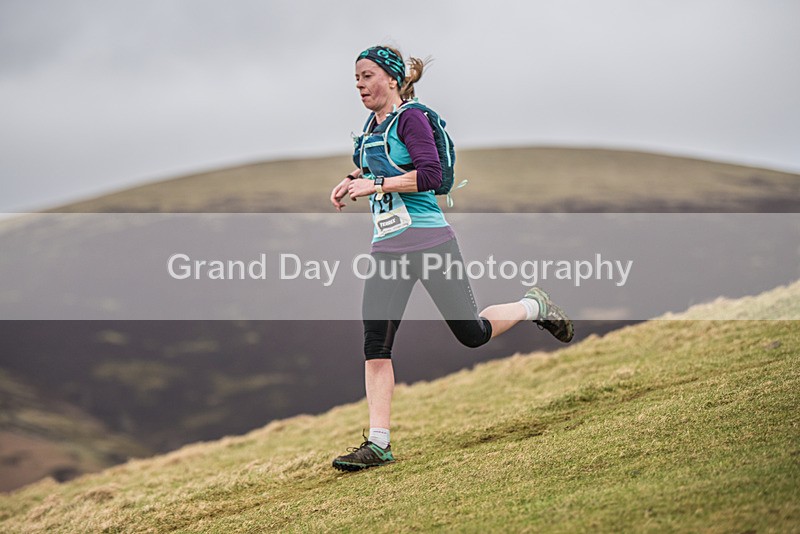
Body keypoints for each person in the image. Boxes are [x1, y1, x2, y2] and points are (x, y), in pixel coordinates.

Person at [329, 45, 574, 472]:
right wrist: (350, 180)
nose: (360, 85)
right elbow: (368, 168)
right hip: (386, 249)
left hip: (429, 243)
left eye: (367, 76)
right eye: (356, 79)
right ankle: (379, 444)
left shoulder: (413, 118)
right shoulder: (372, 126)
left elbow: (434, 177)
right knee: (375, 347)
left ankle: (534, 305)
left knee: (472, 333)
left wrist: (378, 186)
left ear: (391, 79)